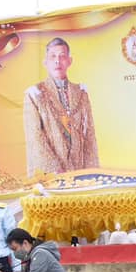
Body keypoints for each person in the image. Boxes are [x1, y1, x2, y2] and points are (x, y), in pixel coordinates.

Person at [23, 37, 100, 177]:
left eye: (62, 56)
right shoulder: (34, 94)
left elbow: (89, 133)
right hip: (50, 174)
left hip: (79, 170)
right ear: (45, 62)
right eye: (52, 56)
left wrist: (92, 172)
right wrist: (56, 170)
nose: (57, 61)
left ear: (69, 61)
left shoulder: (81, 93)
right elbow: (35, 137)